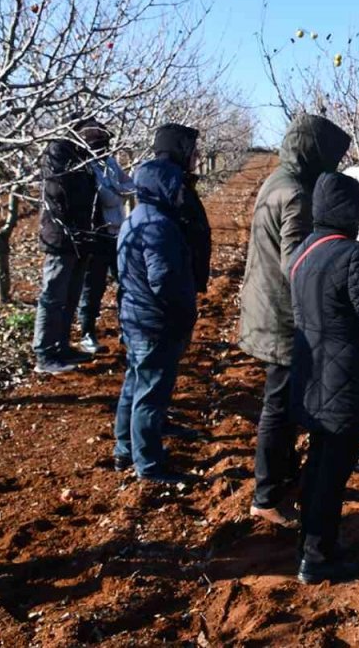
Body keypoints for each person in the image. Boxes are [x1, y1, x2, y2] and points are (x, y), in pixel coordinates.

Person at [239, 112, 352, 528]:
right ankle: (267, 494)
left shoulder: (276, 180)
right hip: (282, 316)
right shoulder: (296, 194)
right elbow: (297, 265)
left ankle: (281, 478)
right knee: (281, 406)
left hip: (266, 306)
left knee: (283, 401)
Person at [288, 173, 359, 584]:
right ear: (348, 210)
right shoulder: (353, 256)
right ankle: (318, 557)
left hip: (313, 375)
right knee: (334, 469)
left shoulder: (304, 251)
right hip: (344, 381)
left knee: (319, 461)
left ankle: (308, 542)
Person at [112, 158, 197, 483]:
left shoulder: (136, 218)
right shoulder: (158, 226)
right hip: (154, 322)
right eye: (175, 186)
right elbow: (162, 278)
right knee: (151, 395)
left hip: (136, 317)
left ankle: (124, 449)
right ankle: (148, 466)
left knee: (134, 384)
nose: (179, 194)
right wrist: (180, 312)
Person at [32, 121, 101, 374]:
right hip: (61, 237)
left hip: (80, 236)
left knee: (71, 294)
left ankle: (61, 345)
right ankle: (45, 353)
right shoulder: (58, 151)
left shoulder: (80, 156)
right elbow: (61, 193)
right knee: (53, 295)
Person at [75, 123, 135, 355]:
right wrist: (119, 190)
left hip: (117, 234)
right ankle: (87, 332)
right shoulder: (86, 168)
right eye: (100, 146)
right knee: (93, 287)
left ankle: (126, 328)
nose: (105, 150)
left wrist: (118, 189)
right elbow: (109, 197)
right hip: (97, 235)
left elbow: (129, 185)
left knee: (126, 282)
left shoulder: (109, 163)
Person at [152, 124, 213, 295]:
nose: (198, 155)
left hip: (184, 282)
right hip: (175, 288)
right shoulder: (172, 191)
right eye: (193, 151)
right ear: (180, 152)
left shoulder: (179, 185)